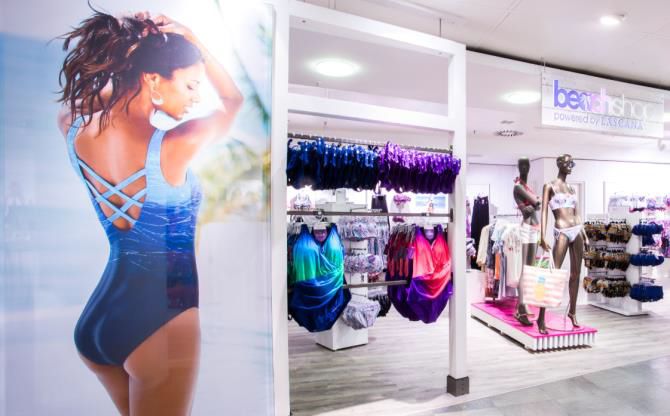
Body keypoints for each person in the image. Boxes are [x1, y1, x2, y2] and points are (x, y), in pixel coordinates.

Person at [57, 9, 243, 415]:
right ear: (153, 79)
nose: (197, 97)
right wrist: (192, 37)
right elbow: (233, 100)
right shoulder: (176, 145)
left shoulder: (72, 127)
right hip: (163, 320)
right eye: (191, 84)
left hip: (99, 320)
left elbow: (94, 102)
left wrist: (133, 63)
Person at [539, 154, 588, 334]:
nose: (570, 166)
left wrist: (585, 234)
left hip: (577, 230)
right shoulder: (549, 186)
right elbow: (544, 211)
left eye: (572, 163)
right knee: (553, 274)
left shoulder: (572, 189)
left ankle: (572, 312)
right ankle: (541, 317)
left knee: (576, 274)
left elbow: (577, 214)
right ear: (559, 164)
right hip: (561, 231)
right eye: (567, 163)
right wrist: (542, 235)